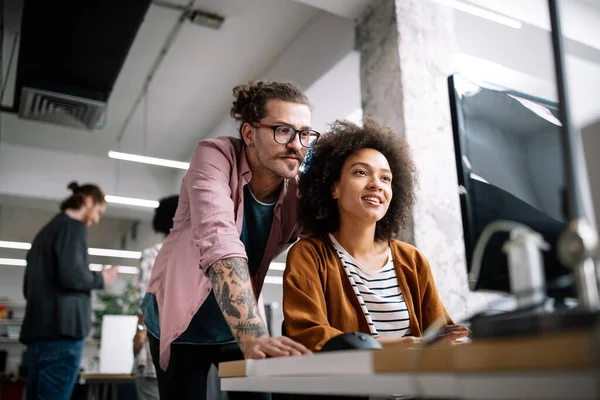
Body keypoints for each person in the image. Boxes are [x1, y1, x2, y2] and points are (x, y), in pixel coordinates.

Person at [142, 80, 315, 399]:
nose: (297, 145)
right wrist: (253, 336)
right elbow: (219, 238)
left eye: (304, 134)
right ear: (249, 134)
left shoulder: (298, 189)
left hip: (237, 321)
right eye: (283, 130)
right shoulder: (214, 156)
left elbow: (324, 249)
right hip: (181, 320)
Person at [283, 118, 470, 353]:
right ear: (333, 188)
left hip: (418, 389)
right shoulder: (309, 255)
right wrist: (398, 345)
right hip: (353, 388)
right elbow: (307, 335)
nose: (376, 185)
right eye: (361, 172)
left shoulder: (412, 260)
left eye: (385, 178)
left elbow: (443, 335)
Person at [20, 181, 119, 400]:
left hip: (37, 338)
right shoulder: (74, 227)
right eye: (98, 212)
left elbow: (28, 289)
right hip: (63, 335)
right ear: (88, 201)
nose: (96, 220)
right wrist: (102, 278)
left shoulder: (44, 234)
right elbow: (72, 276)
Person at [133, 195, 179, 400]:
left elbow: (147, 304)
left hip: (155, 354)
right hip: (190, 358)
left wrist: (139, 333)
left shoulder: (153, 254)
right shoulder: (202, 254)